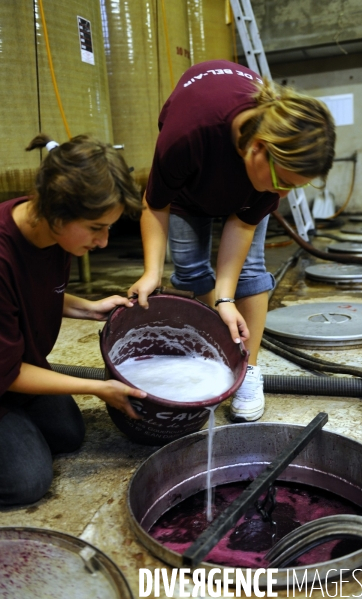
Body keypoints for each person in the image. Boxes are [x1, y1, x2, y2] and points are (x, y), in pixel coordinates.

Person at [128, 59, 336, 423]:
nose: (283, 195)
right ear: (258, 147)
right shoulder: (189, 133)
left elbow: (241, 225)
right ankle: (218, 351)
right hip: (191, 189)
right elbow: (156, 204)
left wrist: (226, 298)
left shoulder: (271, 173)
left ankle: (247, 371)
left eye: (293, 187)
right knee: (191, 271)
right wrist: (150, 272)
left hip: (241, 185)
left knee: (251, 272)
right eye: (282, 182)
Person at [0, 133, 147, 507]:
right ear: (56, 211)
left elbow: (28, 291)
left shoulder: (51, 234)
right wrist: (98, 388)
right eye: (97, 227)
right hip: (7, 372)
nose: (103, 242)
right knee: (27, 481)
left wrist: (87, 307)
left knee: (67, 433)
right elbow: (9, 371)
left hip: (14, 363)